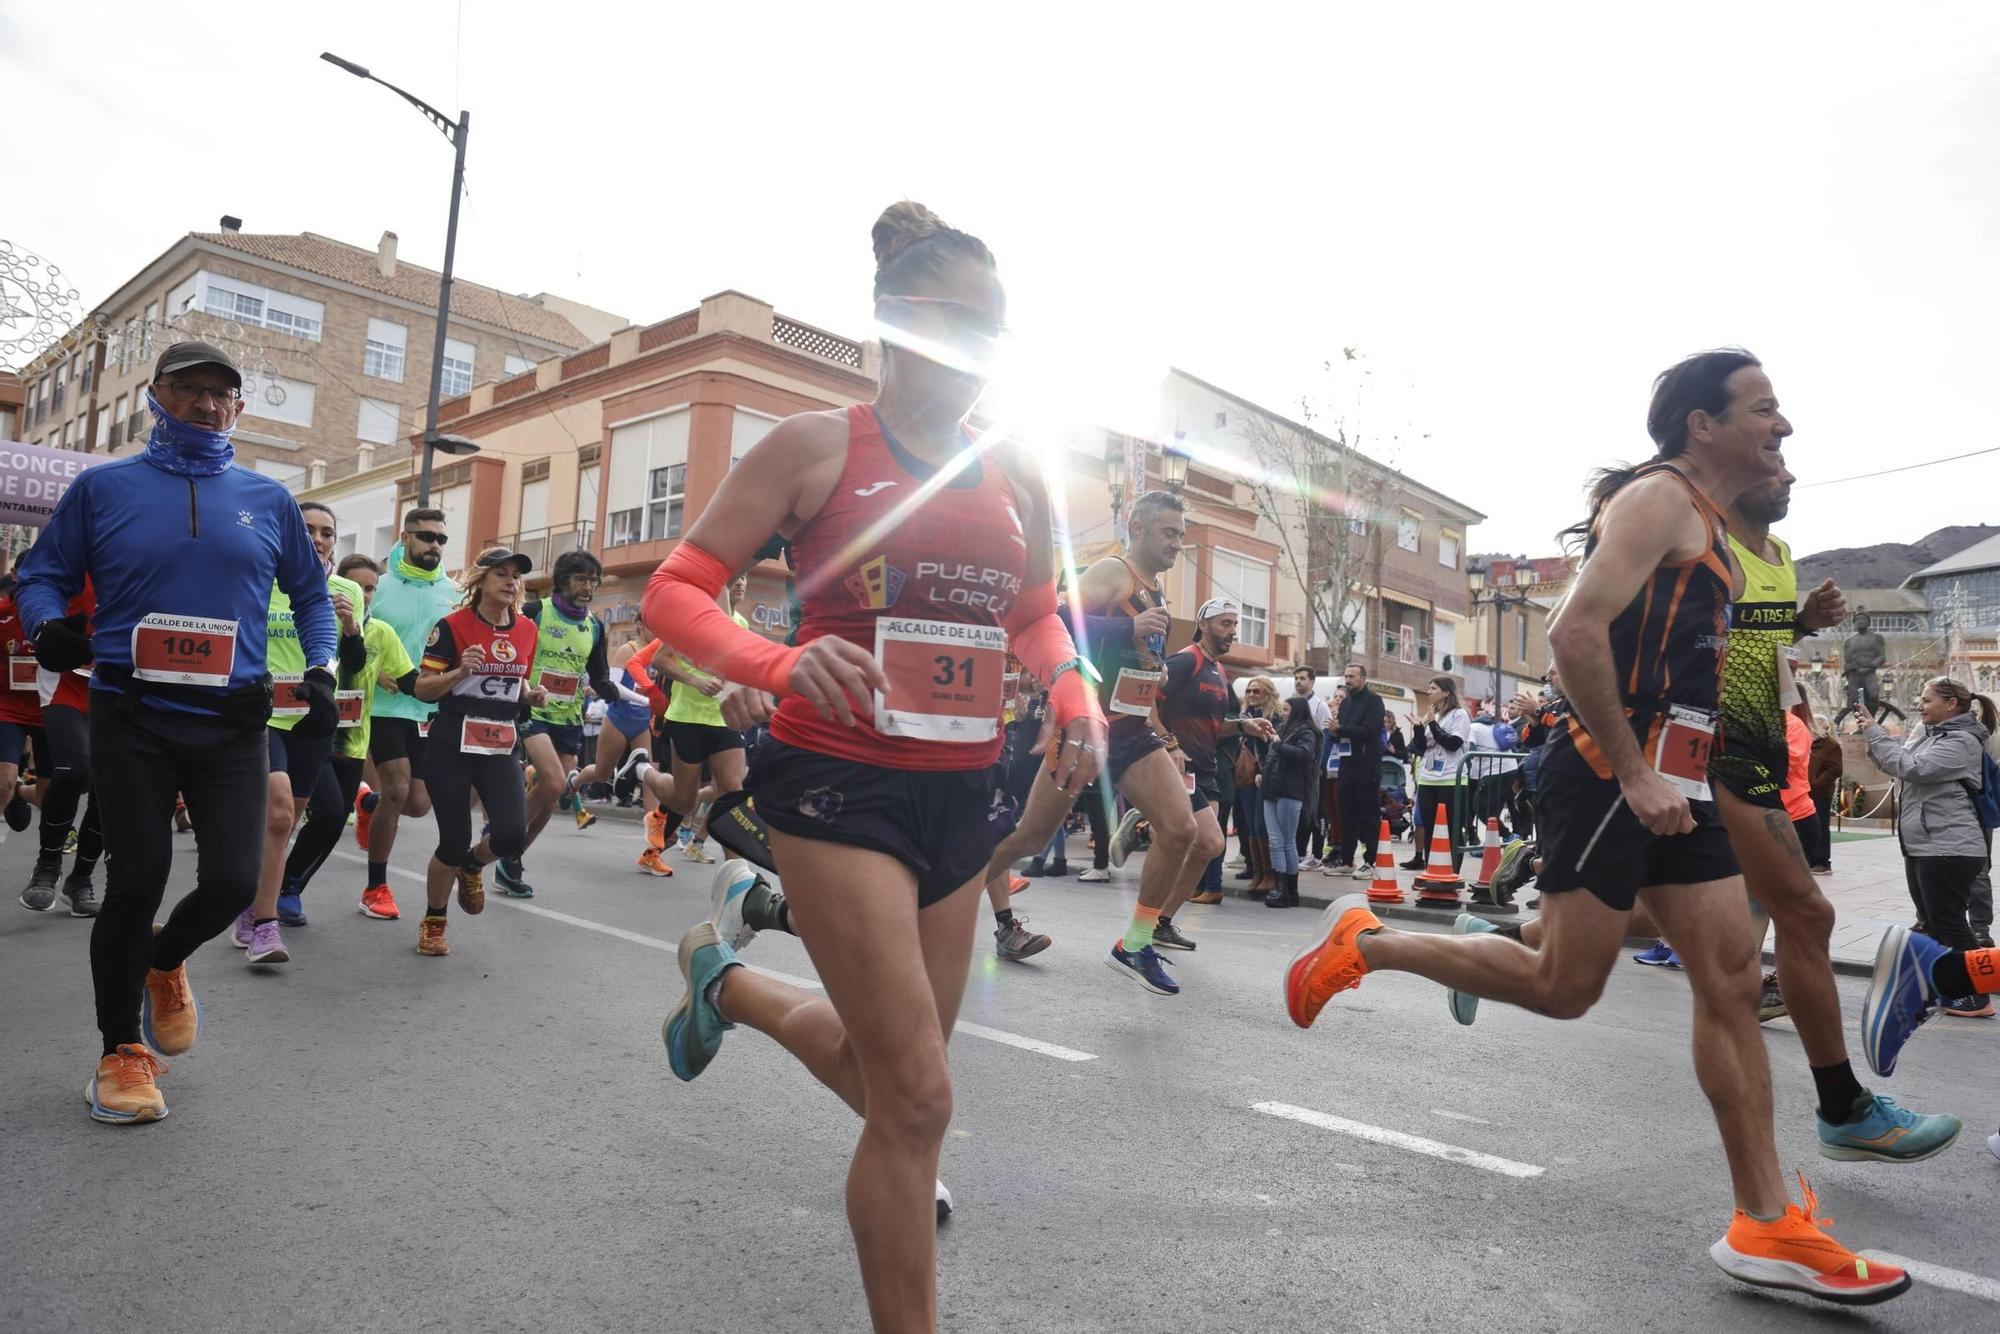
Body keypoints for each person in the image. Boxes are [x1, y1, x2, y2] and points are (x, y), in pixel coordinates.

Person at [1283, 349, 1914, 1304]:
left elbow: (1688, 653)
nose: (1781, 427)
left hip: (1681, 778)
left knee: (1733, 978)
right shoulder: (1659, 501)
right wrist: (1631, 767)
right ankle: (1372, 941)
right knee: (1563, 985)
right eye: (1763, 409)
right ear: (1702, 424)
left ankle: (1766, 1221)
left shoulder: (1713, 530)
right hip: (1605, 776)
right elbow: (1575, 633)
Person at [644, 201, 1103, 1332]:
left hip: (964, 790)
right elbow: (674, 591)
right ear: (898, 318)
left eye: (998, 328)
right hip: (835, 785)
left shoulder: (1017, 472)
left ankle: (730, 983)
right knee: (916, 1096)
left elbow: (1038, 614)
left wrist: (1069, 687)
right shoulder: (813, 448)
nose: (984, 348)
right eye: (963, 321)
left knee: (885, 1070)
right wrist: (778, 660)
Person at [17, 340, 337, 1125]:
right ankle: (120, 1051)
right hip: (131, 712)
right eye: (187, 389)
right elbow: (41, 573)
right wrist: (46, 624)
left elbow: (312, 596)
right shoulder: (104, 489)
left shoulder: (268, 500)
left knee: (232, 883)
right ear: (155, 396)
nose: (204, 404)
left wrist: (323, 669)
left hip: (232, 722)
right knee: (138, 879)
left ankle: (164, 961)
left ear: (238, 408)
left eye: (218, 394)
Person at [1072, 489, 1218, 988]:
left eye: (1181, 534)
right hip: (1089, 728)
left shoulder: (1155, 589)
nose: (1178, 543)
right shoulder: (1114, 572)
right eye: (1169, 533)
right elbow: (1053, 619)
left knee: (1182, 830)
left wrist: (1166, 738)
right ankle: (982, 901)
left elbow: (1145, 674)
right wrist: (1126, 626)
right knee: (1025, 836)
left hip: (1133, 730)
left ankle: (1134, 944)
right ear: (1138, 528)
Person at [233, 500, 366, 963]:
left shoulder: (348, 589)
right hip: (263, 715)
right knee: (279, 814)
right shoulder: (263, 577)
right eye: (307, 529)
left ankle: (253, 904)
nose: (318, 539)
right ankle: (265, 928)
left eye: (327, 532)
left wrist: (351, 629)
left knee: (287, 824)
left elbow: (353, 666)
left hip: (313, 719)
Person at [411, 547, 545, 956]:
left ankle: (472, 865)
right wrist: (459, 671)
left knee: (508, 834)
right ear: (481, 581)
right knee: (452, 839)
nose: (510, 582)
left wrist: (531, 695)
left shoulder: (526, 630)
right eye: (501, 574)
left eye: (516, 576)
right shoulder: (452, 626)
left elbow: (517, 681)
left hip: (500, 739)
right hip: (452, 737)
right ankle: (434, 922)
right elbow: (421, 688)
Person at [272, 554, 418, 924]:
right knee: (318, 810)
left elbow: (408, 679)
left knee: (332, 820)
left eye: (371, 589)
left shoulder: (378, 631)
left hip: (351, 739)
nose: (365, 595)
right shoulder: (306, 613)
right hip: (308, 728)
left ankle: (289, 884)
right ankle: (267, 887)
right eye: (359, 587)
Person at [495, 550, 637, 899]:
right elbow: (507, 648)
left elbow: (600, 677)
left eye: (592, 580)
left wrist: (632, 694)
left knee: (554, 791)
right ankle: (500, 839)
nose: (588, 586)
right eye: (580, 578)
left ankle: (511, 857)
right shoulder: (535, 612)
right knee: (555, 780)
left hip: (570, 718)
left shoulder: (595, 626)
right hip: (531, 710)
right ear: (563, 580)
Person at [1853, 679, 1995, 1016]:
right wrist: (1873, 736)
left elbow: (1912, 768)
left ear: (1951, 705)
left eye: (1927, 699)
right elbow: (1897, 760)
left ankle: (1978, 996)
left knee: (1949, 922)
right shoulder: (1935, 737)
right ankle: (1947, 986)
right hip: (1925, 844)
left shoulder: (1962, 741)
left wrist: (1875, 731)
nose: (1920, 704)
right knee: (1932, 922)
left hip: (1951, 845)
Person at [360, 510, 461, 917]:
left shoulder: (453, 593)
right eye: (425, 537)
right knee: (399, 791)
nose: (434, 545)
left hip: (428, 708)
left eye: (441, 539)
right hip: (384, 705)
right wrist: (379, 670)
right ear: (405, 538)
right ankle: (375, 887)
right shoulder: (379, 587)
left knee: (417, 804)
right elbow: (361, 634)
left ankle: (370, 805)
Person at [1155, 601, 1274, 915]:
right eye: (1225, 624)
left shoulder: (1219, 671)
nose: (1233, 631)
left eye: (1235, 625)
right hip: (1181, 767)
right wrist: (1170, 744)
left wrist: (1245, 725)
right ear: (1203, 625)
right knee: (1197, 842)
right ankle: (1153, 918)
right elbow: (1145, 702)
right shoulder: (1184, 662)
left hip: (1208, 770)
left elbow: (1216, 723)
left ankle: (1161, 919)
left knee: (1208, 845)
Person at [650, 572, 754, 865]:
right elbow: (659, 659)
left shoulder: (742, 624)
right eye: (735, 577)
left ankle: (735, 870)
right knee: (683, 801)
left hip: (724, 719)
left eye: (745, 577)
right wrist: (695, 680)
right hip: (687, 718)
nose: (740, 583)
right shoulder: (692, 618)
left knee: (733, 791)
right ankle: (642, 771)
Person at [15, 574, 103, 916]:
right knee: (75, 771)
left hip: (117, 682)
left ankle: (80, 880)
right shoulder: (75, 553)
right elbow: (37, 589)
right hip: (66, 679)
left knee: (110, 786)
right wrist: (51, 628)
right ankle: (46, 869)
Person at [565, 636, 675, 876]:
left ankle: (652, 853)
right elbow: (612, 686)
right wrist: (646, 698)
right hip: (617, 720)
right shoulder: (628, 650)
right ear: (639, 624)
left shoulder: (663, 650)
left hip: (643, 723)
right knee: (602, 772)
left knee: (651, 780)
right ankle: (574, 782)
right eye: (650, 623)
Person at [1402, 675, 1471, 874]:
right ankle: (1431, 869)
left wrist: (1432, 724)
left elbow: (1453, 744)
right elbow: (1421, 748)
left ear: (1446, 692)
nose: (1429, 691)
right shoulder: (1433, 714)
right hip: (1428, 778)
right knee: (1430, 827)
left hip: (1451, 779)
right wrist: (1417, 728)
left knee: (1450, 829)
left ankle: (1451, 872)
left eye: (1433, 688)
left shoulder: (1459, 715)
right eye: (1429, 688)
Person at [1261, 696, 1320, 908]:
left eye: (1287, 709)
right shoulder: (1282, 729)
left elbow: (1304, 756)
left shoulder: (1306, 731)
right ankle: (1280, 888)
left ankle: (1289, 890)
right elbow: (1271, 757)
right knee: (1274, 841)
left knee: (1286, 841)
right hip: (1271, 789)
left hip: (1290, 791)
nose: (1283, 713)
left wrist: (1278, 744)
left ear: (1297, 711)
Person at [1329, 663, 1385, 879]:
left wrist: (1341, 729)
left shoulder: (1374, 701)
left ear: (1363, 678)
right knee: (1346, 814)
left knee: (1368, 815)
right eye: (1346, 676)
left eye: (1352, 676)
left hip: (1367, 766)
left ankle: (1371, 861)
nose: (1348, 680)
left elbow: (1370, 731)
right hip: (1346, 765)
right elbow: (1339, 730)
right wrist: (1334, 731)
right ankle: (1346, 859)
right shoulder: (1346, 703)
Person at [1291, 666, 1330, 869]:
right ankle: (1299, 852)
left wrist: (1320, 765)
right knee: (1299, 812)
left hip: (1314, 768)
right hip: (1296, 768)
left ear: (1312, 681)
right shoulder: (1291, 703)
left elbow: (1325, 738)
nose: (1298, 682)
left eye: (1303, 678)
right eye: (1296, 678)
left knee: (1315, 812)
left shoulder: (1320, 706)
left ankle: (1316, 853)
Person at [1806, 717, 1841, 874]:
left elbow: (1835, 769)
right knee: (1808, 827)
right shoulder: (1807, 743)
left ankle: (1822, 862)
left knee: (1821, 827)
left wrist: (1816, 783)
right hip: (1804, 792)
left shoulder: (1831, 745)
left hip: (1820, 794)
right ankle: (1810, 861)